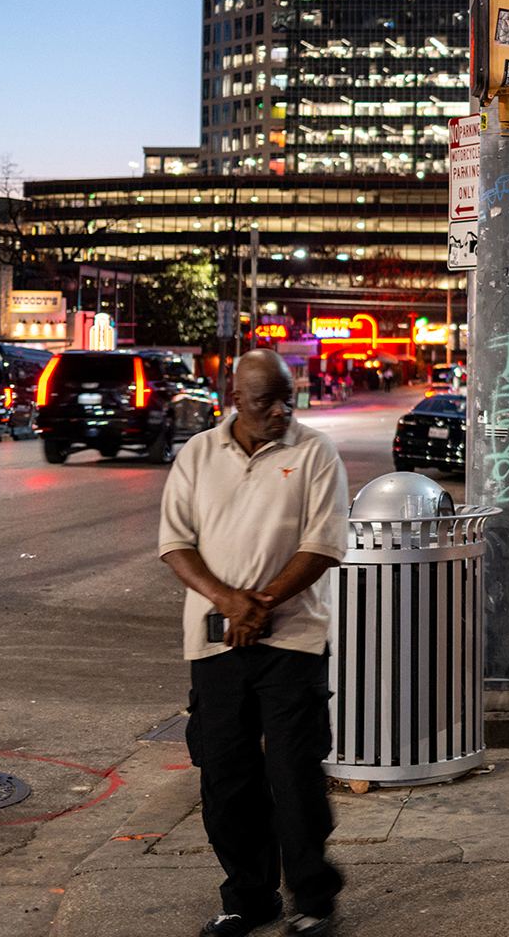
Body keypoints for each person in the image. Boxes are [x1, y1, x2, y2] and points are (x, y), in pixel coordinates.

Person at [157, 349, 348, 937]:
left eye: (288, 395)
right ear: (236, 398)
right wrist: (227, 600)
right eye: (267, 399)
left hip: (293, 639)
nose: (281, 409)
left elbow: (323, 544)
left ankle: (313, 898)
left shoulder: (314, 452)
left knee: (295, 776)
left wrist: (258, 605)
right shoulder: (197, 453)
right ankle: (249, 896)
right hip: (214, 644)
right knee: (225, 776)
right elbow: (175, 543)